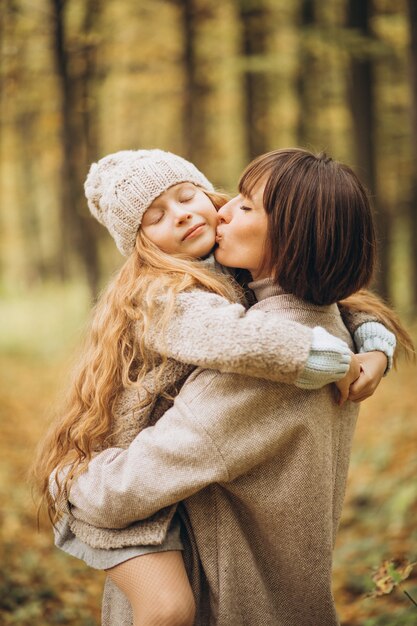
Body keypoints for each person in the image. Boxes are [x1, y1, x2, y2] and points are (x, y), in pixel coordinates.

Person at [39, 148, 411, 625]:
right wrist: (350, 354)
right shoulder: (169, 296)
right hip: (137, 474)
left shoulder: (260, 358)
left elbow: (130, 486)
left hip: (199, 559)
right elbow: (245, 334)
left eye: (244, 203)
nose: (220, 210)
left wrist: (376, 346)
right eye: (155, 217)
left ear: (293, 232)